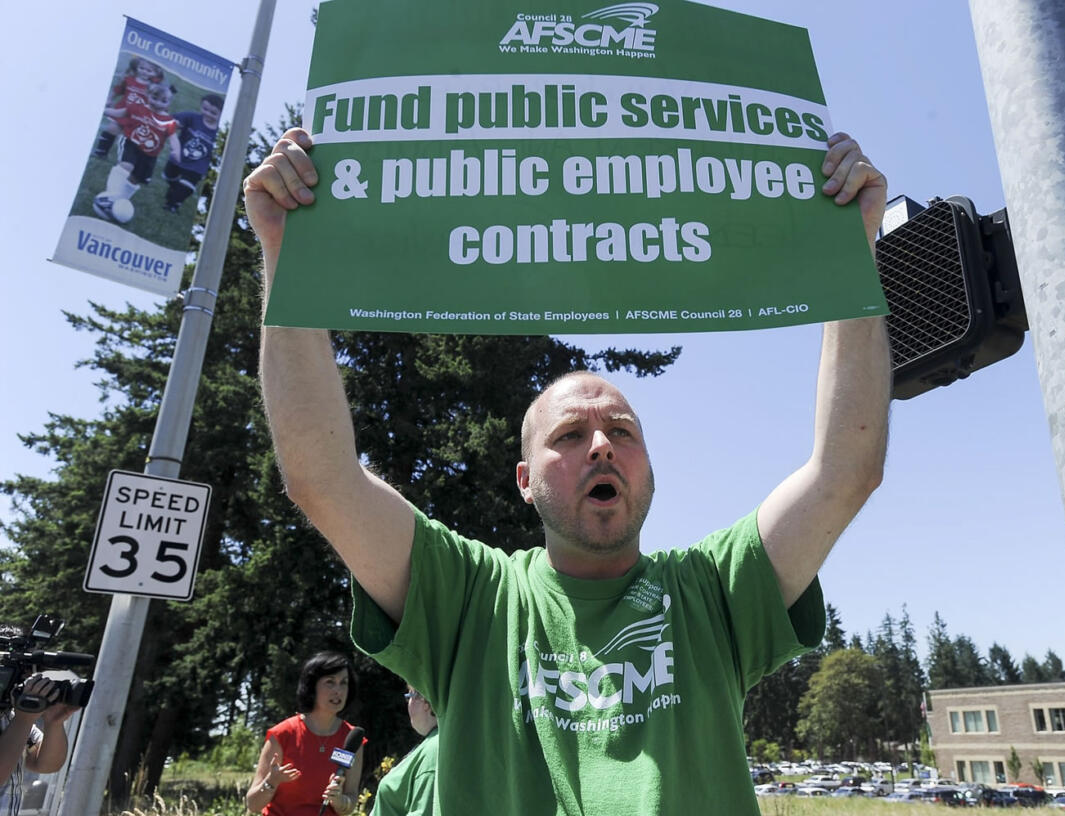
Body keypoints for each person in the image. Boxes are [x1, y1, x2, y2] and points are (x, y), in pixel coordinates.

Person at [244, 126, 889, 814]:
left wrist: (854, 252)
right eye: (571, 435)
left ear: (648, 467)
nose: (602, 445)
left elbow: (845, 469)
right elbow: (322, 477)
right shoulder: (472, 599)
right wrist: (286, 254)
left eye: (622, 431)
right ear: (524, 481)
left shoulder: (715, 590)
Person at [244, 652, 366, 816]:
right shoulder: (283, 734)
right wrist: (271, 781)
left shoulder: (352, 739)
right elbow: (252, 804)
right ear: (312, 686)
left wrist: (339, 801)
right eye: (330, 682)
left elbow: (350, 803)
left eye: (344, 683)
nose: (338, 690)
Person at [92, 82, 179, 223]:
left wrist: (176, 150)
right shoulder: (137, 108)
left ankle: (119, 203)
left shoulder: (169, 122)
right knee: (126, 166)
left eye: (163, 101)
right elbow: (119, 113)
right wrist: (103, 110)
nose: (158, 103)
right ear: (147, 96)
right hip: (131, 144)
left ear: (169, 103)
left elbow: (174, 138)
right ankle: (108, 196)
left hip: (150, 156)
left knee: (135, 179)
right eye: (154, 98)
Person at [0, 667, 79, 815]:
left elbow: (46, 764)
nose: (27, 682)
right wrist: (23, 720)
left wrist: (53, 722)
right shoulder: (19, 720)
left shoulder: (8, 717)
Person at [370, 686, 437, 816]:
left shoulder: (434, 748)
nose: (408, 705)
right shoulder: (432, 742)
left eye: (410, 696)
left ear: (424, 701)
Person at [92, 56, 165, 160]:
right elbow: (118, 90)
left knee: (132, 139)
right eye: (142, 68)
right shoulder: (129, 79)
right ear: (137, 67)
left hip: (138, 117)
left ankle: (129, 160)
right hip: (122, 112)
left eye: (149, 70)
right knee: (111, 129)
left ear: (155, 73)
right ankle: (101, 152)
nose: (144, 72)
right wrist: (110, 99)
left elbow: (157, 101)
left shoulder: (154, 86)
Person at [161, 93, 224, 213]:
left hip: (198, 166)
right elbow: (172, 121)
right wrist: (175, 124)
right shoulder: (192, 117)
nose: (207, 114)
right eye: (205, 109)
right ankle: (174, 189)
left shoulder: (219, 132)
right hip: (179, 158)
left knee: (187, 186)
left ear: (221, 114)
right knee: (168, 176)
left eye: (213, 113)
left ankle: (173, 204)